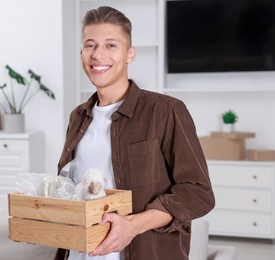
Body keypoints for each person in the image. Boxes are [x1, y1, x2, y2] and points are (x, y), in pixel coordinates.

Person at [55, 6, 215, 260]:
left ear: (130, 54)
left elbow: (198, 192)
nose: (98, 54)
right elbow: (71, 188)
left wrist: (133, 225)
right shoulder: (78, 116)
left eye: (110, 45)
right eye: (90, 45)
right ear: (81, 53)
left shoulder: (165, 111)